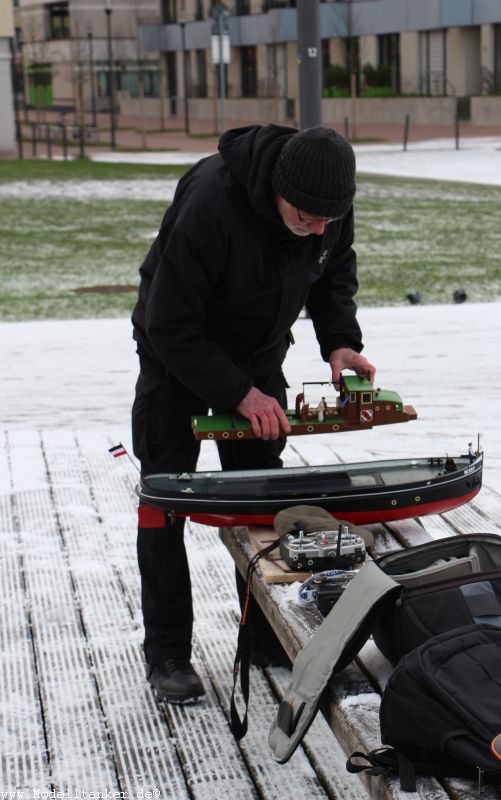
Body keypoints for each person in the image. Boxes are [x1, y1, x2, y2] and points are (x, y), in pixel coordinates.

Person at [131, 124, 376, 704]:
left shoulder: (326, 202)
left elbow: (332, 272)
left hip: (259, 350)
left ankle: (264, 635)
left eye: (329, 219)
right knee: (166, 501)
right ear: (277, 189)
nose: (321, 227)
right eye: (308, 217)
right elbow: (170, 321)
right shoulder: (210, 202)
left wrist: (340, 340)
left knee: (264, 500)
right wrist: (238, 393)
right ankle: (167, 651)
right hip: (177, 353)